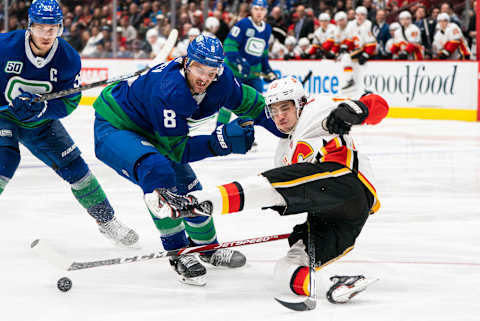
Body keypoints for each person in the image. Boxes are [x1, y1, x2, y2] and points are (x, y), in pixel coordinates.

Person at [147, 76, 389, 303]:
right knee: (287, 267)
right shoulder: (284, 153)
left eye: (285, 108)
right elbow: (296, 190)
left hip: (348, 182)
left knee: (267, 184)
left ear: (301, 103)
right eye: (273, 111)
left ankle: (193, 202)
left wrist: (356, 110)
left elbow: (379, 106)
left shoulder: (318, 110)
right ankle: (331, 286)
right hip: (340, 214)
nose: (279, 116)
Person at [92, 34, 286, 286]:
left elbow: (253, 105)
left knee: (191, 191)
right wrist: (220, 142)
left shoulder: (222, 80)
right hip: (116, 124)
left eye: (211, 70)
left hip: (154, 129)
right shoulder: (168, 90)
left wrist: (288, 128)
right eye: (198, 68)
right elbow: (179, 152)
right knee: (158, 173)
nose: (204, 77)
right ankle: (178, 252)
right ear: (186, 62)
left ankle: (206, 248)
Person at [0, 0, 138, 246]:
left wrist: (43, 108)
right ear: (30, 26)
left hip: (40, 123)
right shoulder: (5, 47)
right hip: (3, 118)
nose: (46, 33)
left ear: (60, 28)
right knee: (5, 159)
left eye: (52, 27)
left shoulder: (68, 59)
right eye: (41, 27)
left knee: (76, 169)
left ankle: (107, 221)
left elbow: (70, 102)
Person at [224, 0, 276, 92]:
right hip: (235, 73)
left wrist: (267, 70)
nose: (259, 12)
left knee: (259, 102)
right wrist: (239, 62)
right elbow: (229, 46)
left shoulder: (267, 29)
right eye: (256, 9)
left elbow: (263, 54)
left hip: (253, 75)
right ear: (251, 10)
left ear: (266, 11)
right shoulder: (243, 24)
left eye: (262, 9)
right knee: (233, 103)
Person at [341, 6, 377, 91]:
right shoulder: (351, 24)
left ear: (366, 16)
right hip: (358, 49)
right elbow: (350, 38)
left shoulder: (368, 24)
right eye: (358, 15)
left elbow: (371, 42)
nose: (360, 17)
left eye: (362, 15)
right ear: (355, 15)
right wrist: (345, 46)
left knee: (346, 58)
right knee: (345, 57)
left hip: (366, 49)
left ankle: (350, 80)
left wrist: (366, 54)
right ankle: (350, 79)